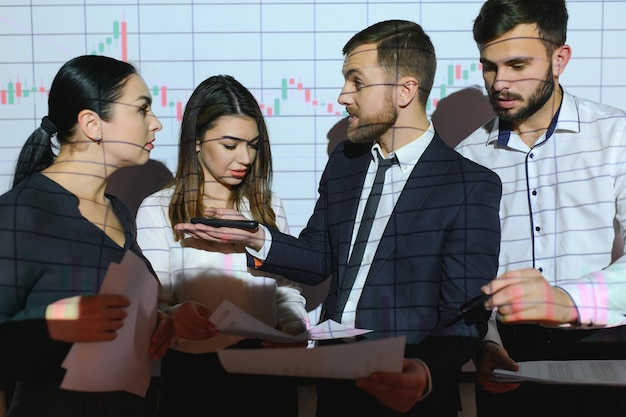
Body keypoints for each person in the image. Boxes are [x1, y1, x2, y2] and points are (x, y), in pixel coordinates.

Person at [176, 20, 502, 417]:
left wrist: (424, 371)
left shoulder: (469, 185)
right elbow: (318, 260)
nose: (343, 96)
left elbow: (464, 315)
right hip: (335, 388)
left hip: (407, 392)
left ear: (405, 90)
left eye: (356, 81)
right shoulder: (345, 164)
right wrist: (256, 237)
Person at [454, 1, 626, 416]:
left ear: (559, 59)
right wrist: (486, 344)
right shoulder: (466, 157)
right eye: (490, 67)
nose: (499, 83)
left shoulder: (617, 136)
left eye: (517, 65)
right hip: (507, 360)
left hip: (603, 353)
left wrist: (567, 299)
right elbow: (464, 275)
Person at [0, 54, 172, 417]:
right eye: (142, 110)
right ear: (93, 124)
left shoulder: (120, 211)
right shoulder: (21, 212)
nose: (156, 124)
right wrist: (50, 327)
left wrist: (165, 319)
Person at [135, 74, 310, 417]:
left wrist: (293, 326)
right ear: (196, 140)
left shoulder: (268, 205)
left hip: (268, 376)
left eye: (253, 145)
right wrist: (174, 315)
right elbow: (148, 306)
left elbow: (286, 288)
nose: (245, 158)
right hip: (196, 380)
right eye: (230, 145)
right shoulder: (159, 209)